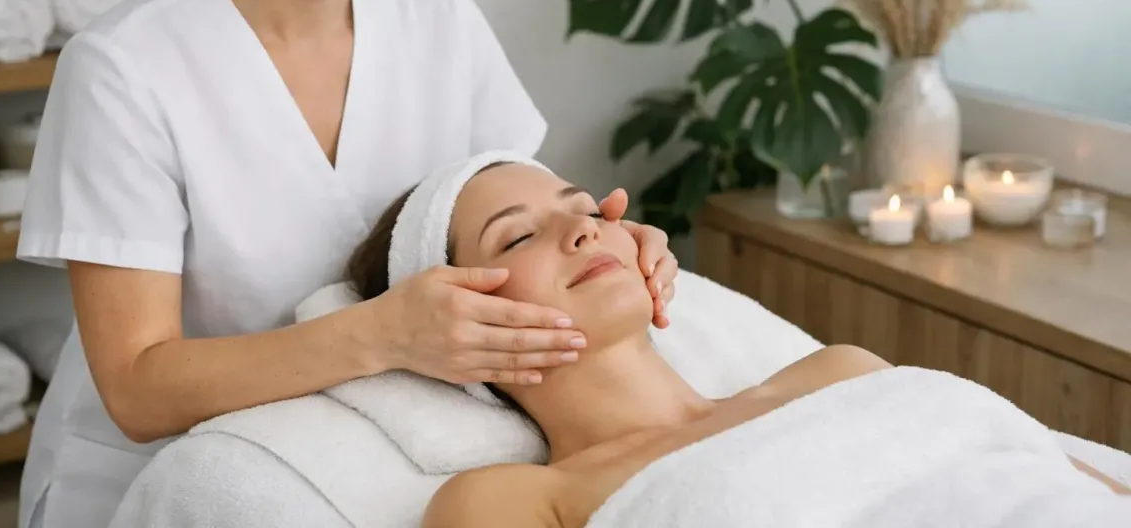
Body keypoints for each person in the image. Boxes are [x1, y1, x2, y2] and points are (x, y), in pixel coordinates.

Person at [12, 0, 679, 526]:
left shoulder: (441, 21)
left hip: (386, 457)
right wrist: (383, 336)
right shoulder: (127, 66)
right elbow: (136, 387)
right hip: (180, 481)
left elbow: (522, 220)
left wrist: (609, 242)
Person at [343, 157, 1131, 528]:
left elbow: (1053, 474)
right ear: (453, 319)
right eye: (516, 238)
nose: (583, 228)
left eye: (584, 207)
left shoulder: (835, 372)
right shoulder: (515, 502)